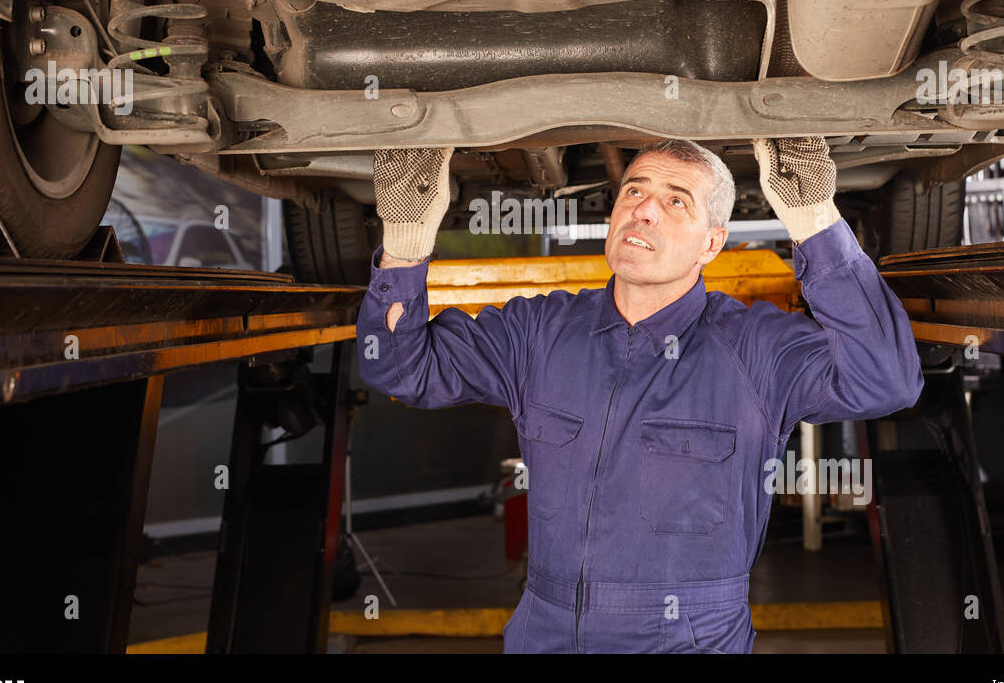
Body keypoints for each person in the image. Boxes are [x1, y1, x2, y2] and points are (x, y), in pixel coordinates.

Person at [357, 137, 922, 653]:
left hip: (686, 639)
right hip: (544, 629)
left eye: (677, 201)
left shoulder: (756, 347)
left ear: (713, 243)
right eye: (634, 190)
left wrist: (815, 219)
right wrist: (406, 238)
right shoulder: (539, 332)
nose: (644, 208)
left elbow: (887, 380)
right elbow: (400, 372)